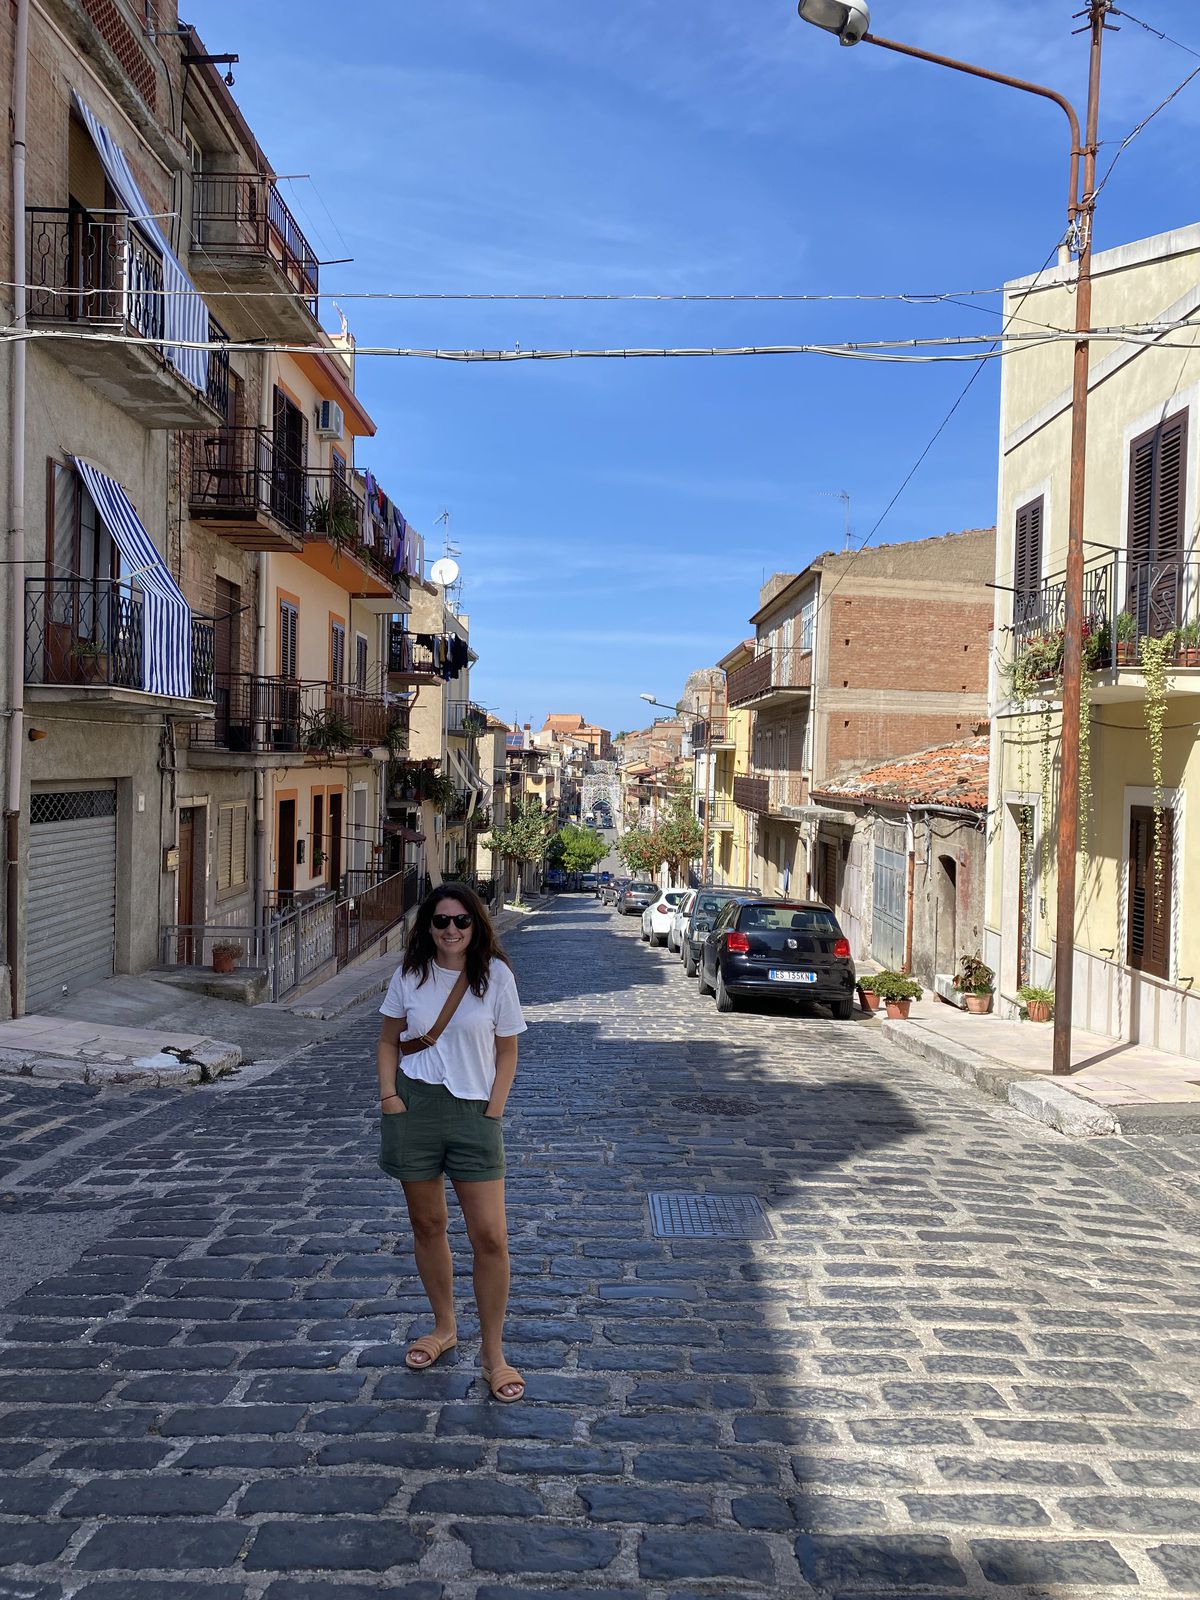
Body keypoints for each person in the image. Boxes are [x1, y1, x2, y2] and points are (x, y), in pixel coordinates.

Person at [376, 882, 527, 1401]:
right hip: (414, 1108)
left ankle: (493, 1352)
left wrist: (494, 1110)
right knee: (428, 1224)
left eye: (462, 920)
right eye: (441, 921)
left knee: (490, 1237)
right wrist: (389, 1097)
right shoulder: (409, 976)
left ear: (476, 925)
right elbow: (387, 1039)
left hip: (473, 1113)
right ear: (428, 927)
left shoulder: (496, 977)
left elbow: (507, 1051)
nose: (451, 930)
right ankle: (444, 1327)